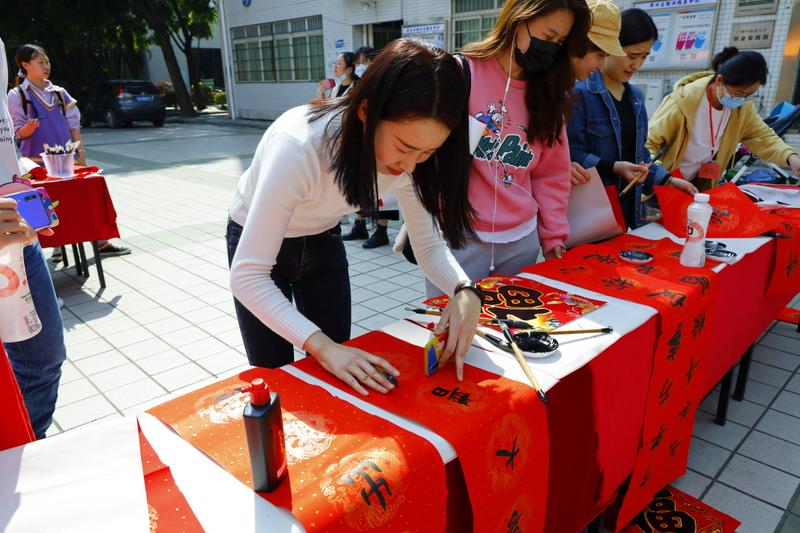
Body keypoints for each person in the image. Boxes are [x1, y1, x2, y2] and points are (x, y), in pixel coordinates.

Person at [227, 38, 482, 395]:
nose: (410, 165)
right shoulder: (299, 146)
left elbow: (428, 246)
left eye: (428, 152)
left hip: (323, 237)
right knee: (274, 377)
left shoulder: (409, 159)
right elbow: (248, 277)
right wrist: (323, 347)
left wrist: (465, 289)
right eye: (404, 147)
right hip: (256, 240)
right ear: (366, 111)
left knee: (338, 368)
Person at [425, 0, 590, 298]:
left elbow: (551, 174)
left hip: (520, 241)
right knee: (451, 323)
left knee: (512, 324)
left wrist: (553, 235)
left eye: (560, 42)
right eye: (548, 36)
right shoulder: (461, 73)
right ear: (517, 19)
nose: (551, 47)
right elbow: (427, 154)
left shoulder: (549, 93)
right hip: (459, 238)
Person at [567, 8, 696, 229]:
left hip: (628, 211)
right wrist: (613, 167)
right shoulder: (580, 94)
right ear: (609, 48)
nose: (637, 65)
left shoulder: (635, 97)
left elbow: (639, 156)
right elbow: (569, 156)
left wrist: (667, 180)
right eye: (632, 56)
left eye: (644, 57)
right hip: (589, 213)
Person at [8, 44, 130, 258]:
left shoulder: (59, 93)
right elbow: (17, 131)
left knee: (81, 200)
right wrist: (28, 129)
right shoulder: (17, 95)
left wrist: (80, 153)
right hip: (36, 164)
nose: (46, 66)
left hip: (66, 159)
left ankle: (100, 242)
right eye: (40, 62)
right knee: (49, 205)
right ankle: (56, 246)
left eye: (47, 61)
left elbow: (74, 126)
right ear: (25, 65)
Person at [647, 47, 800, 183]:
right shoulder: (682, 102)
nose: (742, 99)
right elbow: (648, 144)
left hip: (698, 184)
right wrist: (662, 178)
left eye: (750, 95)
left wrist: (791, 157)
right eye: (738, 93)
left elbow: (762, 137)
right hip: (663, 183)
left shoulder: (742, 108)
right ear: (719, 80)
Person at [568, 0, 626, 186]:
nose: (601, 65)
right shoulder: (574, 92)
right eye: (600, 55)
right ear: (578, 43)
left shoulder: (565, 87)